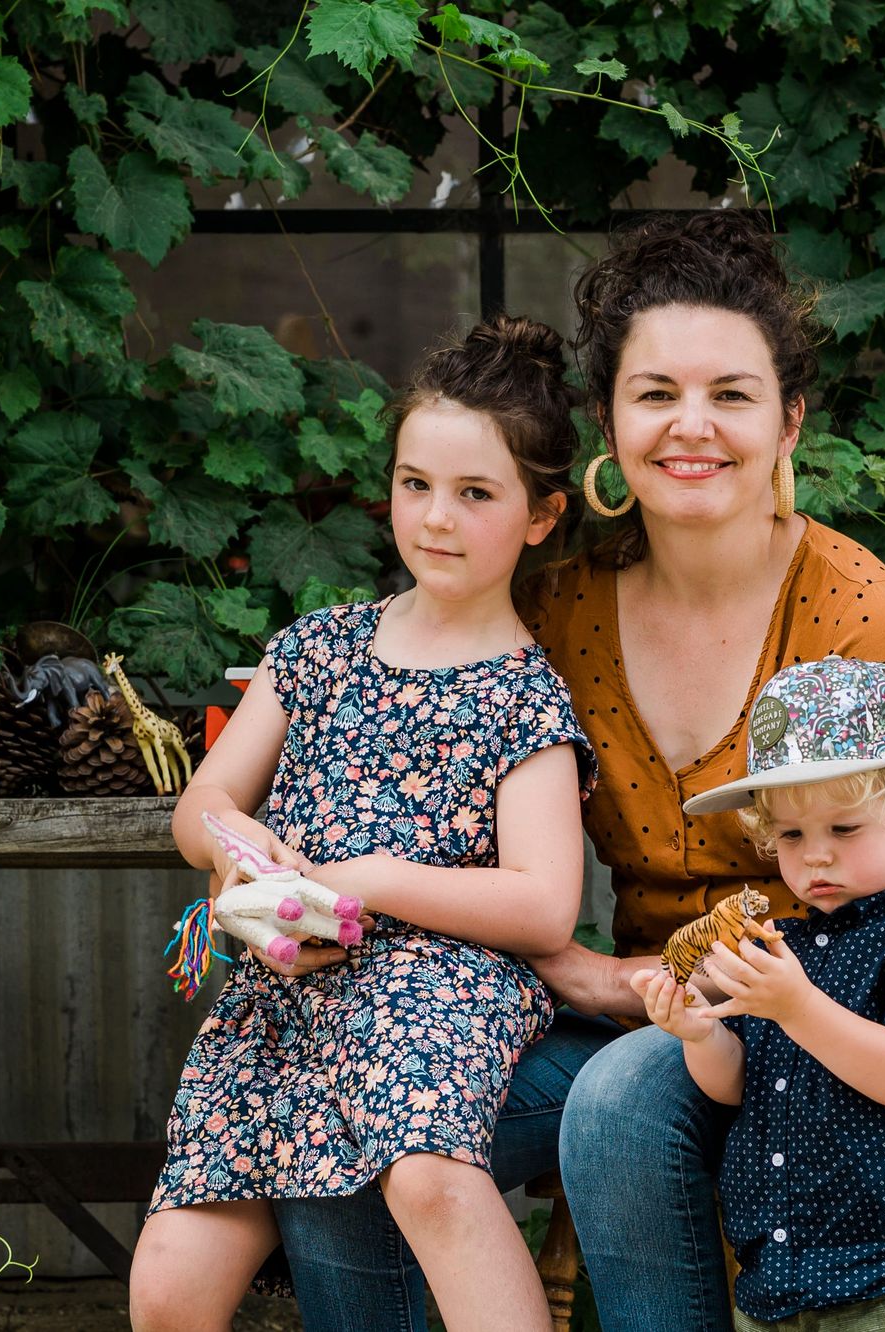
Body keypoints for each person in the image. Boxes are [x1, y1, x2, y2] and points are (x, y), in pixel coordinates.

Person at [273, 212, 885, 1332]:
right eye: (655, 394)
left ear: (789, 419)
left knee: (614, 1103)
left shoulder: (846, 606)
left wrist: (695, 996)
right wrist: (303, 889)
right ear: (607, 421)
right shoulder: (557, 607)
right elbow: (444, 817)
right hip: (623, 1001)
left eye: (731, 395)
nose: (691, 427)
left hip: (831, 1010)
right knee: (350, 1108)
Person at [127, 316, 595, 1332]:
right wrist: (243, 854)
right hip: (282, 992)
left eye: (476, 494)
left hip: (435, 997)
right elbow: (200, 804)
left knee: (426, 1177)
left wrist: (363, 879)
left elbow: (545, 904)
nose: (435, 517)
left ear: (541, 517)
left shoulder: (525, 698)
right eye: (414, 484)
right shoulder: (319, 649)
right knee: (167, 1290)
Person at [633, 656, 885, 1332]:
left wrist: (796, 1007)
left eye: (844, 829)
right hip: (783, 1279)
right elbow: (740, 1085)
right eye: (790, 835)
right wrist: (701, 1033)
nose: (815, 856)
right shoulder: (789, 950)